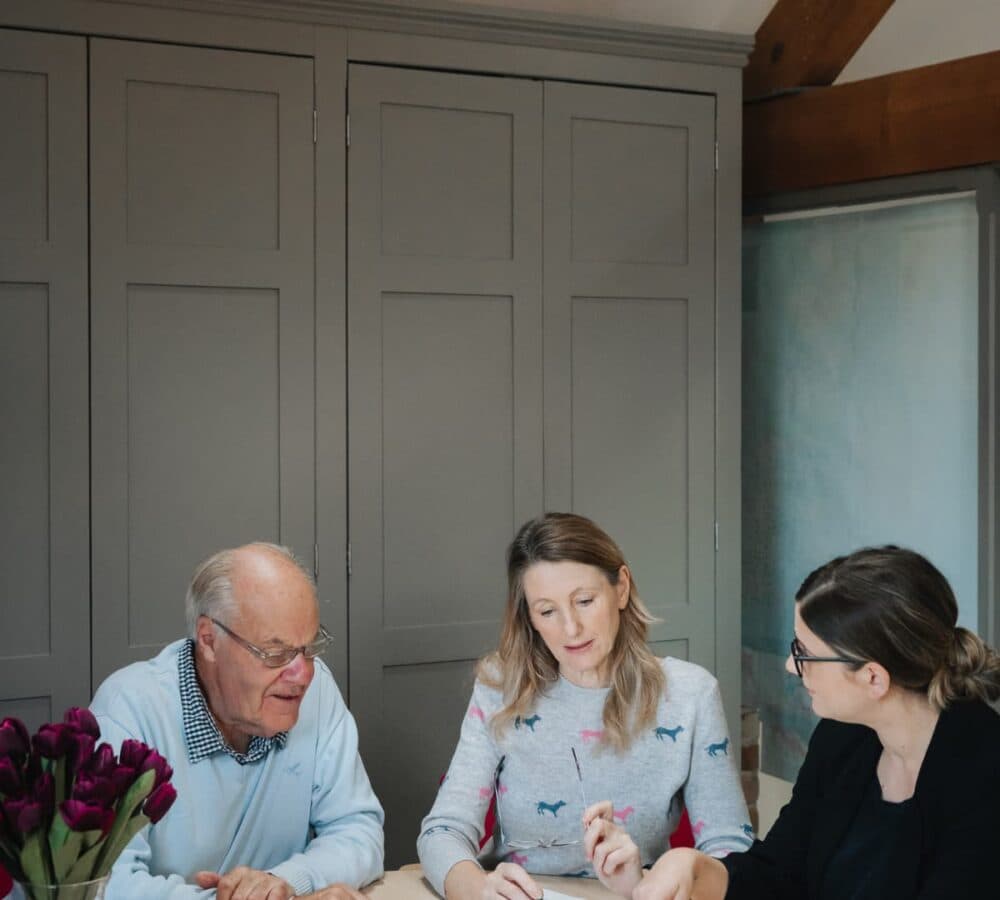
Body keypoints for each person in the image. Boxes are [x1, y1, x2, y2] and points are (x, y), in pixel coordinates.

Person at [622, 545, 1000, 900]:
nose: (791, 666)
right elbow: (780, 872)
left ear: (873, 678)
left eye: (805, 654)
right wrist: (696, 869)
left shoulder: (983, 774)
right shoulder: (844, 736)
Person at [417, 512, 752, 900]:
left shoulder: (692, 695)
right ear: (529, 617)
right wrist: (476, 890)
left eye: (585, 601)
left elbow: (733, 859)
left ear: (621, 588)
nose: (571, 628)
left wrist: (648, 881)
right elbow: (443, 831)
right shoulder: (500, 687)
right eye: (547, 611)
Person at [90, 543, 385, 900]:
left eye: (308, 647)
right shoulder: (129, 711)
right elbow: (106, 883)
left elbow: (358, 829)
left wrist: (286, 881)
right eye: (275, 653)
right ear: (209, 640)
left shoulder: (317, 689)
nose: (302, 673)